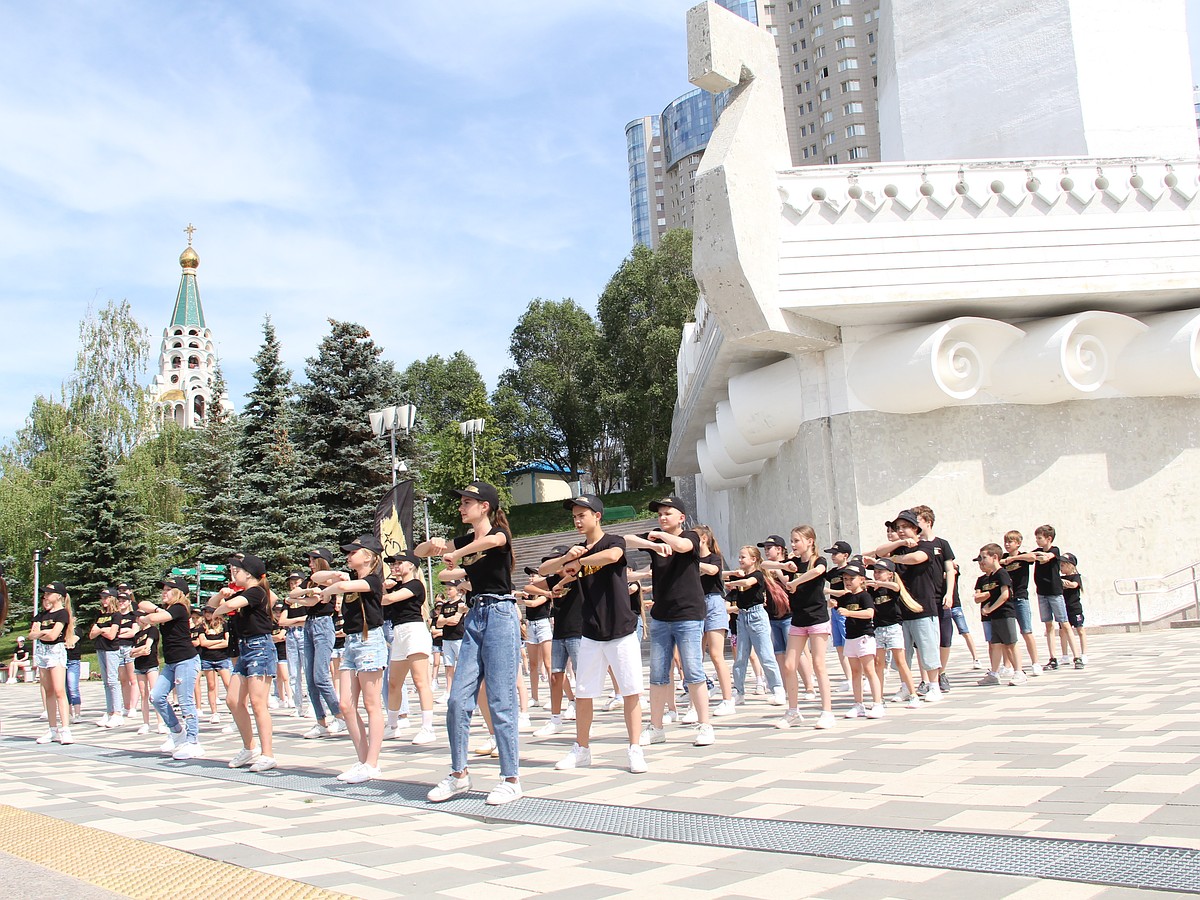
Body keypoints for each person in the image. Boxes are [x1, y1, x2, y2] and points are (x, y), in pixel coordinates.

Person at [419, 480, 523, 806]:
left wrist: (455, 553)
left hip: (501, 614)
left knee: (501, 700)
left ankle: (510, 778)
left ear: (485, 507)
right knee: (456, 700)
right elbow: (420, 553)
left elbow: (491, 541)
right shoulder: (463, 539)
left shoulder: (499, 535)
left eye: (467, 502)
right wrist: (432, 545)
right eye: (461, 502)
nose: (462, 507)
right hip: (475, 614)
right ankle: (459, 774)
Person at [542, 495, 646, 774]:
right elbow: (543, 571)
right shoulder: (575, 551)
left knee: (631, 691)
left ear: (597, 516)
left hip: (621, 628)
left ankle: (635, 748)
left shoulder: (613, 541)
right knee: (584, 693)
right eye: (574, 516)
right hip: (589, 631)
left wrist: (581, 561)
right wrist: (567, 558)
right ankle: (582, 749)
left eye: (582, 515)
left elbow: (612, 557)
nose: (577, 521)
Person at [627, 494, 714, 748]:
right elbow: (626, 540)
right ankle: (655, 727)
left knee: (693, 670)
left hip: (688, 614)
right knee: (657, 673)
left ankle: (705, 724)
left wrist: (661, 537)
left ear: (682, 518)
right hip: (661, 616)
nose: (663, 518)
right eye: (660, 514)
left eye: (668, 513)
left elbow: (684, 547)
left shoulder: (692, 536)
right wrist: (653, 545)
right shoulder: (655, 536)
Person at [312, 535, 389, 784]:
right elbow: (316, 578)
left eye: (354, 552)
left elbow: (343, 589)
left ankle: (372, 763)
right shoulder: (351, 579)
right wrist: (336, 577)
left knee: (371, 704)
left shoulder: (373, 580)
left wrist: (331, 589)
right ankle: (362, 759)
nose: (348, 556)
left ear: (368, 556)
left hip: (370, 640)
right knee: (345, 705)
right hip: (352, 643)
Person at [873, 510, 945, 703]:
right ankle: (906, 686)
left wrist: (894, 559)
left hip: (923, 606)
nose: (901, 531)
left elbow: (916, 559)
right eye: (898, 528)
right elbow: (880, 552)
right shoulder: (898, 547)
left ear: (915, 528)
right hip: (900, 610)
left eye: (905, 527)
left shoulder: (927, 545)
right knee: (903, 652)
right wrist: (901, 543)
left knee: (927, 648)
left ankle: (933, 686)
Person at [214, 554, 277, 772]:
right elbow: (213, 605)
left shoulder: (257, 591)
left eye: (236, 570)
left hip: (260, 647)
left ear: (248, 574)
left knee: (259, 703)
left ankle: (268, 754)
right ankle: (250, 747)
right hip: (245, 648)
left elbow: (225, 607)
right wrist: (220, 595)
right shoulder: (243, 592)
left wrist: (226, 601)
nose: (233, 573)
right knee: (233, 700)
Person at [776, 526, 834, 730]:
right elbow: (766, 564)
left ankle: (827, 711)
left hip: (817, 617)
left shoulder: (818, 561)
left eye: (797, 541)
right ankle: (793, 711)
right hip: (798, 619)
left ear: (810, 541)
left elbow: (818, 572)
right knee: (789, 665)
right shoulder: (792, 563)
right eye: (791, 541)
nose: (793, 545)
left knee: (819, 664)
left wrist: (795, 581)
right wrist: (785, 569)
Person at [140, 577, 204, 759]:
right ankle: (177, 733)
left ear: (178, 593)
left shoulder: (179, 608)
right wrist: (155, 609)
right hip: (171, 663)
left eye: (169, 589)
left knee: (185, 701)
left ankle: (193, 741)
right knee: (156, 696)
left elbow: (151, 618)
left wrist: (147, 617)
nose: (164, 592)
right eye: (164, 589)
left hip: (186, 660)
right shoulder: (167, 609)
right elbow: (143, 604)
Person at [382, 551, 437, 746]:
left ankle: (427, 727)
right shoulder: (395, 586)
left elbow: (388, 600)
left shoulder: (415, 584)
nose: (395, 566)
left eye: (399, 563)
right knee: (394, 681)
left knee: (420, 680)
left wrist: (380, 590)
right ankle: (393, 725)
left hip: (414, 631)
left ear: (411, 565)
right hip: (398, 633)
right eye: (393, 563)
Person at [293, 548, 346, 739]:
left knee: (321, 676)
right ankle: (320, 721)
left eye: (314, 560)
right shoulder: (311, 580)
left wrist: (305, 596)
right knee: (310, 678)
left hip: (324, 624)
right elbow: (292, 595)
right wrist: (306, 591)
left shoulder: (329, 579)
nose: (310, 563)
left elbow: (312, 601)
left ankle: (340, 716)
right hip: (309, 624)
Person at [724, 546, 785, 706]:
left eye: (743, 557)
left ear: (753, 559)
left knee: (765, 655)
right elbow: (730, 595)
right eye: (739, 557)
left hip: (757, 616)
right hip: (742, 616)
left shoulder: (757, 574)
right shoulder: (738, 577)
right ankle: (738, 691)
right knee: (740, 658)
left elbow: (747, 582)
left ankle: (778, 689)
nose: (740, 560)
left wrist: (735, 581)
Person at [532, 547, 581, 738]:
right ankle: (555, 719)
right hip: (559, 633)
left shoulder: (578, 574)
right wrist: (548, 593)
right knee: (555, 676)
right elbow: (532, 585)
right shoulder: (552, 580)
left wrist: (560, 583)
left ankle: (584, 717)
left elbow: (576, 576)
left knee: (582, 677)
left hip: (578, 631)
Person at [866, 560, 920, 708]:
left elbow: (896, 586)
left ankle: (913, 694)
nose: (876, 575)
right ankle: (879, 697)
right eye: (875, 572)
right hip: (877, 629)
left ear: (889, 574)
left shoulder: (892, 587)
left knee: (901, 661)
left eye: (880, 572)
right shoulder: (872, 590)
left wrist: (881, 584)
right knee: (879, 663)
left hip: (894, 627)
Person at [694, 525, 734, 717]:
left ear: (702, 539)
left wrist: (692, 561)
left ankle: (728, 699)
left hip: (713, 602)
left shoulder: (713, 557)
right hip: (694, 604)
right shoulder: (689, 560)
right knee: (695, 656)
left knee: (717, 655)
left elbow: (712, 570)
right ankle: (700, 695)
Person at [835, 563, 884, 719]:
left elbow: (869, 613)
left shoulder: (865, 595)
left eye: (852, 578)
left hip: (864, 636)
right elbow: (839, 607)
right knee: (855, 672)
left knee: (869, 670)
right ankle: (858, 704)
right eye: (845, 578)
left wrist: (849, 613)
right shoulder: (845, 597)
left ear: (862, 579)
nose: (848, 581)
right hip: (850, 637)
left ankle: (877, 704)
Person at [1031, 525, 1080, 670]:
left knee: (1064, 623)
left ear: (1048, 538)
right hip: (1042, 592)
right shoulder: (1037, 551)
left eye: (1039, 538)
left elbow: (1047, 557)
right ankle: (1053, 658)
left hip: (1055, 592)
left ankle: (1076, 656)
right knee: (1048, 625)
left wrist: (1037, 556)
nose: (1037, 541)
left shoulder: (1055, 550)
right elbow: (1029, 555)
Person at [973, 545, 1022, 685]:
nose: (982, 561)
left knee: (1011, 643)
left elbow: (1005, 595)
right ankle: (994, 675)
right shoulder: (992, 576)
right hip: (995, 616)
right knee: (995, 644)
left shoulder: (1002, 573)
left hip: (1005, 613)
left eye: (984, 557)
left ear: (995, 557)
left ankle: (1019, 672)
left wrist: (990, 609)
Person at [31, 582, 73, 745]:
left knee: (59, 690)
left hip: (55, 651)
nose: (46, 596)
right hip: (42, 652)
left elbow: (54, 635)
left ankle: (65, 729)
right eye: (45, 593)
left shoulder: (62, 614)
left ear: (59, 596)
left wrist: (41, 633)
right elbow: (32, 634)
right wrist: (43, 633)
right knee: (47, 690)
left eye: (49, 593)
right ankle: (52, 728)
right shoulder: (41, 615)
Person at [1000, 531, 1042, 676]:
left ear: (1018, 543)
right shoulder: (1003, 558)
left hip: (1020, 598)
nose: (1007, 544)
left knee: (1026, 631)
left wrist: (1014, 559)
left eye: (1010, 542)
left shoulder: (1023, 557)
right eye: (1005, 541)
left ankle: (1036, 663)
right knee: (1008, 635)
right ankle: (1007, 665)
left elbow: (1033, 557)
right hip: (1007, 601)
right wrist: (1004, 561)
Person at [278, 572, 309, 717]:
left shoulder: (307, 598)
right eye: (291, 583)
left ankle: (311, 706)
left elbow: (308, 619)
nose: (294, 585)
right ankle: (298, 706)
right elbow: (282, 621)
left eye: (296, 582)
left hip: (304, 633)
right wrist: (297, 620)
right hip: (291, 635)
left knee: (308, 671)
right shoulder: (288, 601)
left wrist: (296, 620)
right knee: (294, 673)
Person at [90, 589, 122, 726]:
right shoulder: (100, 615)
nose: (103, 600)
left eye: (106, 597)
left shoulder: (116, 615)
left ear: (112, 598)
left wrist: (101, 630)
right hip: (100, 648)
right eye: (102, 597)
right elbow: (91, 634)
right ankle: (109, 712)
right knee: (106, 682)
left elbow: (112, 635)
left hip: (111, 650)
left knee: (112, 681)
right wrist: (103, 630)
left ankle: (118, 712)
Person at [130, 616, 162, 736]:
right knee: (144, 694)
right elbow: (131, 654)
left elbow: (147, 647)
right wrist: (136, 652)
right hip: (139, 666)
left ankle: (160, 722)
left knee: (154, 693)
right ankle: (145, 723)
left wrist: (136, 651)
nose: (140, 620)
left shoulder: (152, 630)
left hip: (151, 665)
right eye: (138, 618)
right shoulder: (137, 635)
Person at [1060, 553, 1088, 667]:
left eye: (1063, 565)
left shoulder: (1076, 576)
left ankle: (1084, 653)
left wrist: (1067, 583)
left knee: (1080, 630)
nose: (1060, 568)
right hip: (1063, 607)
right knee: (1063, 632)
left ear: (1070, 565)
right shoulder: (1060, 578)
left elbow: (1074, 585)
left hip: (1074, 607)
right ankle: (1065, 655)